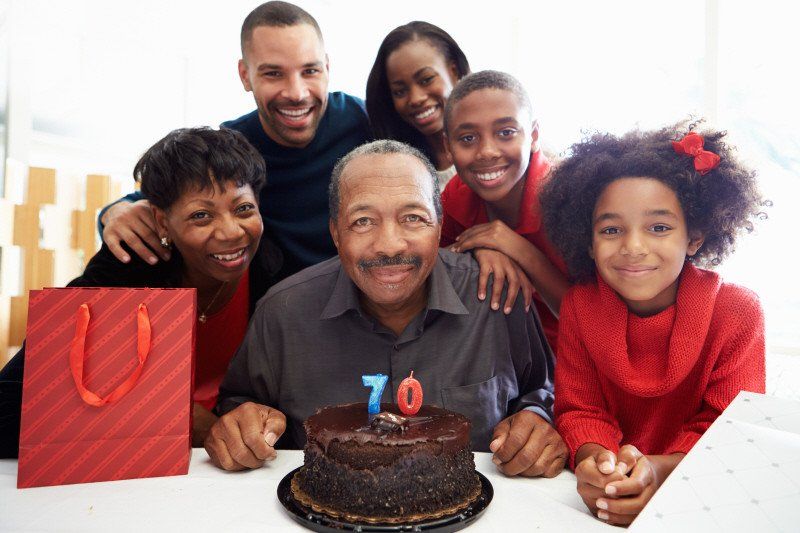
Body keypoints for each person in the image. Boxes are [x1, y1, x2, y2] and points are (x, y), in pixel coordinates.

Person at [204, 140, 567, 479]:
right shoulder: (282, 312)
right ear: (334, 232)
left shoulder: (497, 295)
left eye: (413, 217)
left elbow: (542, 391)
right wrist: (242, 422)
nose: (389, 245)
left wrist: (536, 420)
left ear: (440, 226)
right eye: (363, 221)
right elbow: (239, 402)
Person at [0, 127, 280, 457]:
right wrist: (192, 421)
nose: (232, 232)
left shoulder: (272, 269)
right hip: (139, 463)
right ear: (162, 222)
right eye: (201, 215)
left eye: (243, 209)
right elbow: (10, 405)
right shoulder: (126, 267)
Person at [540, 122, 767, 526]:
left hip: (708, 501)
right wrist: (599, 463)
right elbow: (581, 409)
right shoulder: (580, 306)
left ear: (694, 236)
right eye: (611, 230)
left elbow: (727, 428)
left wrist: (659, 470)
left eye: (659, 227)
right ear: (588, 243)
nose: (633, 246)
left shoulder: (737, 311)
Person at [98, 1, 371, 280]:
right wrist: (114, 211)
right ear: (245, 76)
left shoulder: (370, 122)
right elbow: (159, 200)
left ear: (327, 67)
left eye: (310, 71)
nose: (297, 92)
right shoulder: (233, 147)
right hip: (272, 312)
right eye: (273, 73)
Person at [442, 71, 569, 353]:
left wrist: (515, 248)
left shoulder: (569, 198)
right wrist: (477, 251)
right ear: (447, 147)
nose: (487, 151)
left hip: (573, 362)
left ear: (533, 135)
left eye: (506, 133)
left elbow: (592, 321)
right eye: (467, 138)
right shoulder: (456, 195)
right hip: (497, 357)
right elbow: (435, 265)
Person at [366, 21, 470, 189]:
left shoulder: (497, 148)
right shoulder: (393, 168)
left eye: (426, 80)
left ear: (454, 71)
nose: (415, 99)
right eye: (400, 91)